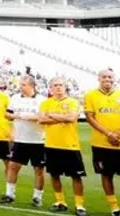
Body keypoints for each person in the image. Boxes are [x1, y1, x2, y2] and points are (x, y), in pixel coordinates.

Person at [39, 77, 86, 215]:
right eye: (55, 85)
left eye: (60, 85)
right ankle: (60, 202)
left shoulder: (72, 102)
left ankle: (79, 205)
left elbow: (72, 118)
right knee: (54, 175)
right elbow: (41, 119)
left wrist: (52, 115)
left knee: (76, 176)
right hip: (51, 144)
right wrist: (62, 118)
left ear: (65, 87)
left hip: (70, 145)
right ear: (51, 88)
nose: (58, 87)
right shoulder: (45, 103)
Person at [0, 75, 46, 207]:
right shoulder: (15, 98)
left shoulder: (41, 100)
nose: (20, 87)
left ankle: (37, 197)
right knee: (13, 166)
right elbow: (7, 114)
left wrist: (27, 117)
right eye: (20, 85)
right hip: (20, 139)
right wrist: (17, 116)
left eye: (23, 85)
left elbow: (43, 117)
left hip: (38, 140)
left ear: (31, 85)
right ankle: (9, 194)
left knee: (38, 169)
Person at [84, 69, 120, 216]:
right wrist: (108, 134)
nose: (107, 79)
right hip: (101, 143)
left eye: (110, 77)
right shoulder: (90, 95)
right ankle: (114, 207)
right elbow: (90, 117)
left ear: (114, 79)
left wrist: (118, 133)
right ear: (98, 78)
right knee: (106, 174)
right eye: (104, 76)